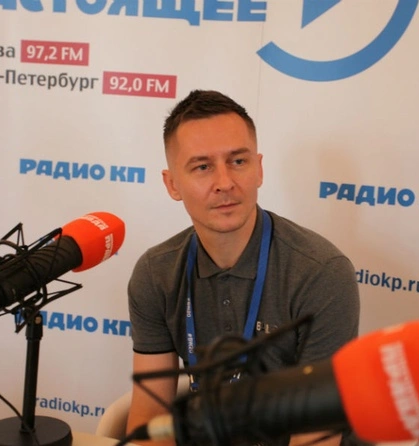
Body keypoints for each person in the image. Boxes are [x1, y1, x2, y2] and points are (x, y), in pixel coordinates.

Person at [127, 89, 360, 445]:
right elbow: (150, 414)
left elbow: (315, 438)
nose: (225, 183)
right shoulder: (155, 273)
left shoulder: (321, 273)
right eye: (203, 167)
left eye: (238, 161)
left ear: (259, 169)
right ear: (172, 184)